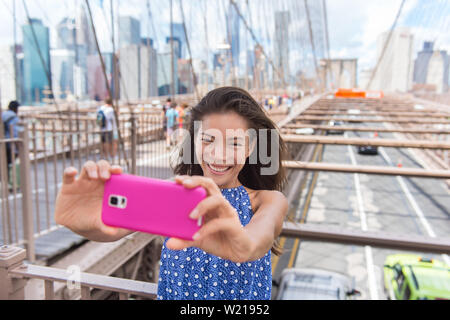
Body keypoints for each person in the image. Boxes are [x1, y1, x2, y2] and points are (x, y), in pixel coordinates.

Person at [54, 87, 288, 300]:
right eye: (208, 140)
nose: (219, 155)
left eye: (234, 144)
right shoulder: (176, 197)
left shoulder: (267, 200)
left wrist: (241, 245)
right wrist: (83, 222)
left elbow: (258, 238)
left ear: (250, 148)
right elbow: (112, 230)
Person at [2, 101, 23, 187]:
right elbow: (15, 133)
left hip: (2, 143)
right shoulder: (13, 117)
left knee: (4, 164)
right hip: (8, 144)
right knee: (10, 164)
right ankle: (11, 184)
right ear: (15, 109)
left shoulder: (3, 114)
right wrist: (18, 149)